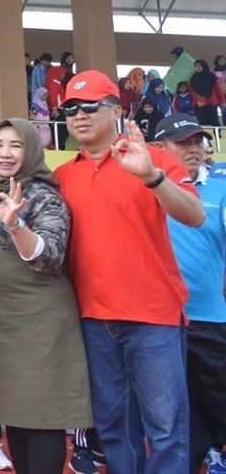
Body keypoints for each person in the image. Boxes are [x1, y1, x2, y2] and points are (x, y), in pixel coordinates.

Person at [55, 69, 205, 473]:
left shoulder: (155, 161)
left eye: (90, 106)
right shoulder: (62, 176)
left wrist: (152, 177)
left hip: (153, 318)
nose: (79, 115)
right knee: (115, 428)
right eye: (70, 108)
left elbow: (194, 215)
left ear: (117, 111)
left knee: (166, 429)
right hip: (92, 320)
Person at [0, 119, 93, 473]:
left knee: (42, 417)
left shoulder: (45, 198)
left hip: (41, 324)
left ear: (32, 150)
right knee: (15, 418)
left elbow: (50, 255)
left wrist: (16, 225)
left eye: (16, 145)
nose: (4, 153)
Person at [149, 114, 226, 474]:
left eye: (198, 141)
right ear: (159, 147)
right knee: (171, 402)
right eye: (183, 143)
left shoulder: (220, 187)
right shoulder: (143, 186)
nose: (193, 149)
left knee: (214, 394)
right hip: (158, 317)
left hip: (209, 314)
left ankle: (212, 450)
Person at [190, 59, 223, 127]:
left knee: (214, 121)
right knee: (201, 122)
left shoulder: (211, 76)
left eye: (199, 66)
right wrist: (197, 98)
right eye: (196, 66)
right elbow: (192, 91)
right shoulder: (193, 78)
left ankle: (216, 133)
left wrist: (222, 101)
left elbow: (218, 89)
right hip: (199, 104)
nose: (197, 68)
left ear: (204, 66)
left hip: (211, 103)